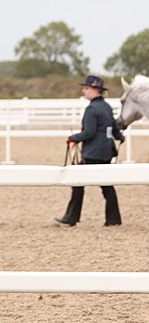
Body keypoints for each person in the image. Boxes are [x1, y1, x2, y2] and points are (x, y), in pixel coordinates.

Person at [56, 75, 123, 227]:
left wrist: (73, 138)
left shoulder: (91, 109)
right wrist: (120, 137)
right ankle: (113, 219)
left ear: (96, 90)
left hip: (93, 153)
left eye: (86, 88)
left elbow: (89, 132)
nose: (83, 91)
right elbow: (114, 129)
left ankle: (71, 217)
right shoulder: (106, 107)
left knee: (77, 181)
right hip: (106, 152)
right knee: (107, 185)